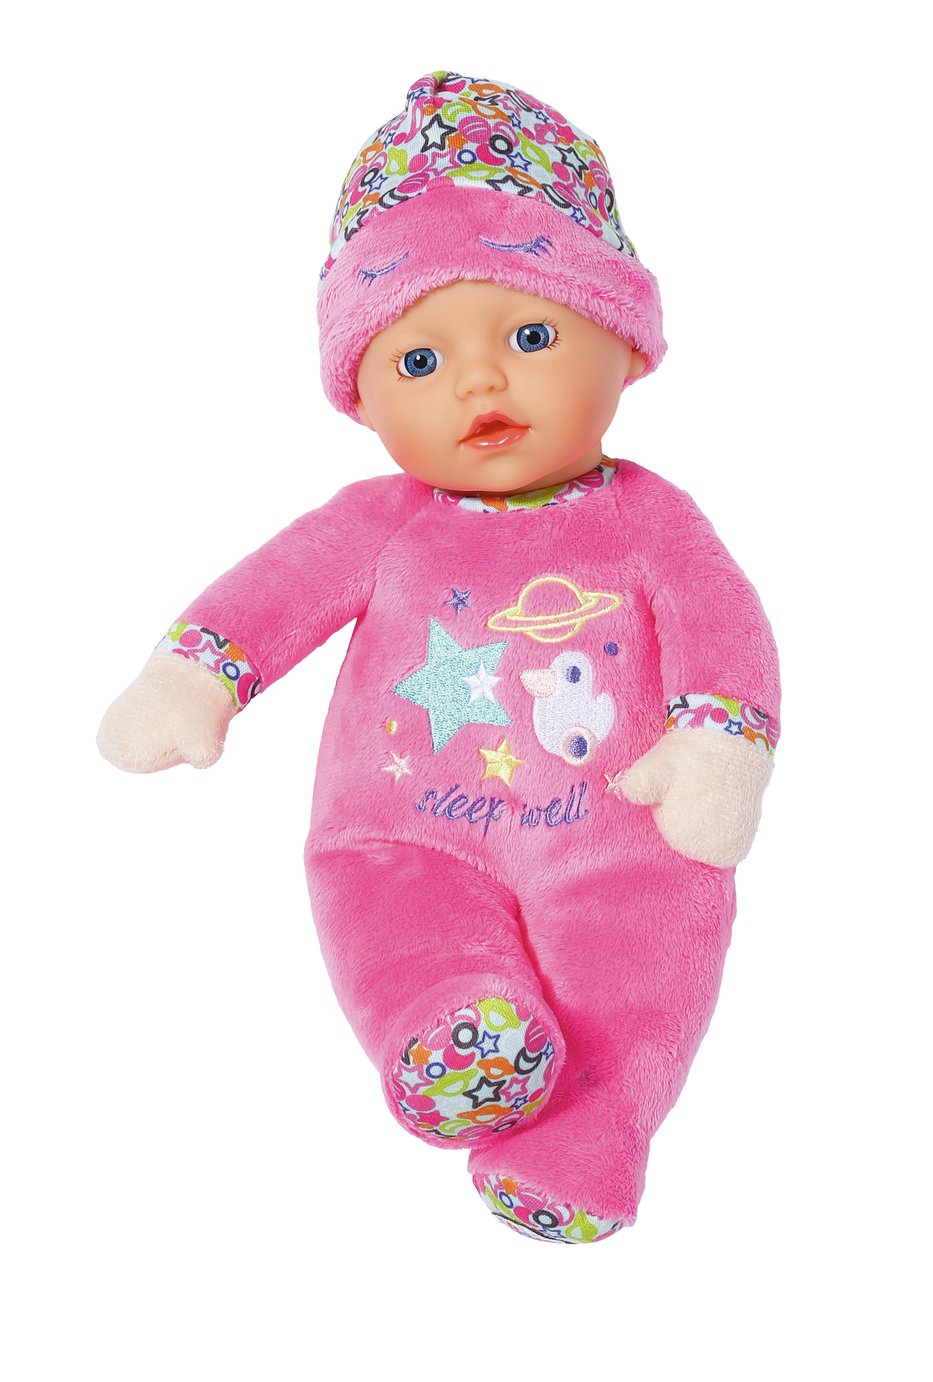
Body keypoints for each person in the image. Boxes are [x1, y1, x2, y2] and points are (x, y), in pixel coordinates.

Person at [98, 70, 781, 1243]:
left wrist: (720, 744)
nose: (479, 380)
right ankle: (452, 1025)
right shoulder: (379, 521)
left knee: (647, 956)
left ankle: (592, 1131)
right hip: (405, 828)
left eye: (531, 335)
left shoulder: (653, 520)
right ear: (362, 398)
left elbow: (727, 623)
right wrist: (197, 674)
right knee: (389, 910)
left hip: (619, 828)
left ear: (624, 346)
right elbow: (275, 591)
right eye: (419, 361)